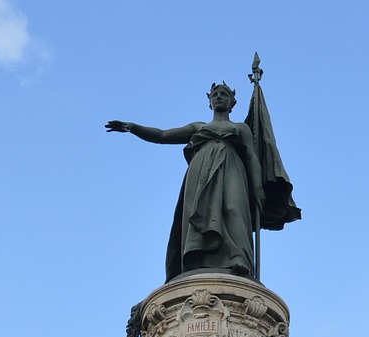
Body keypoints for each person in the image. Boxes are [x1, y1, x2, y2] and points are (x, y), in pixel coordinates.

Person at [106, 83, 265, 281]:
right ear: (209, 101)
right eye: (215, 94)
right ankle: (197, 257)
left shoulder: (240, 128)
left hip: (231, 168)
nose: (219, 97)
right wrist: (134, 128)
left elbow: (251, 157)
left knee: (234, 209)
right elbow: (162, 136)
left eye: (224, 95)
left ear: (233, 102)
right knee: (198, 211)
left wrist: (257, 187)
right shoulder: (198, 127)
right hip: (201, 172)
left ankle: (238, 256)